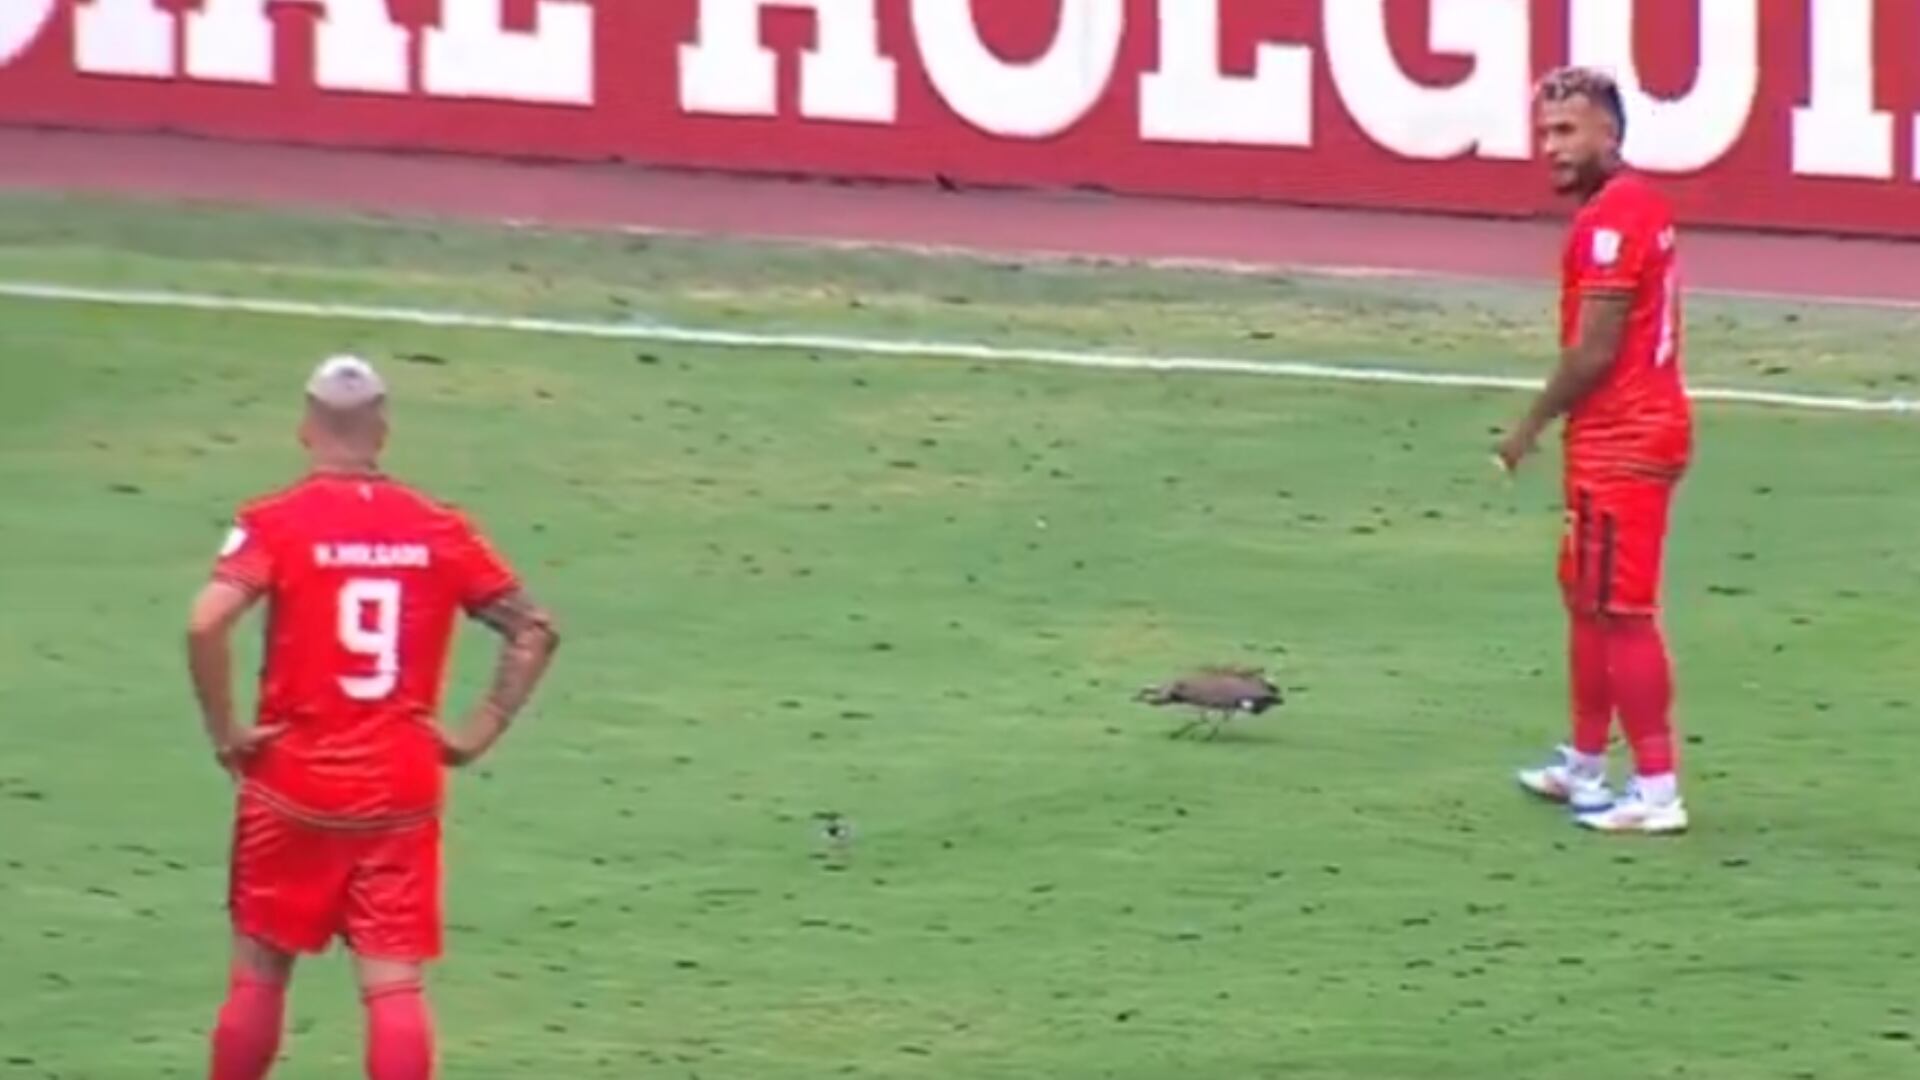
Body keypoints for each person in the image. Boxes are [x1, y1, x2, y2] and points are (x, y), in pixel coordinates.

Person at [185, 356, 561, 1078]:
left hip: (290, 783)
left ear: (305, 428)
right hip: (398, 788)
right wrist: (478, 729)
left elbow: (206, 624)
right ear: (382, 430)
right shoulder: (438, 528)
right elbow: (533, 629)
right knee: (393, 985)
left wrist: (225, 732)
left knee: (261, 970)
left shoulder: (275, 523)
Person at [1499, 67, 1692, 834]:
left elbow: (1594, 352)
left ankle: (1656, 789)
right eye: (1545, 132)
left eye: (1567, 131)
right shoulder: (1620, 210)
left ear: (1610, 132)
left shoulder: (1616, 220)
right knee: (1585, 595)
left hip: (1627, 439)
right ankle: (1584, 764)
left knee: (1622, 609)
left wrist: (1529, 425)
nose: (1551, 147)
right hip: (1614, 437)